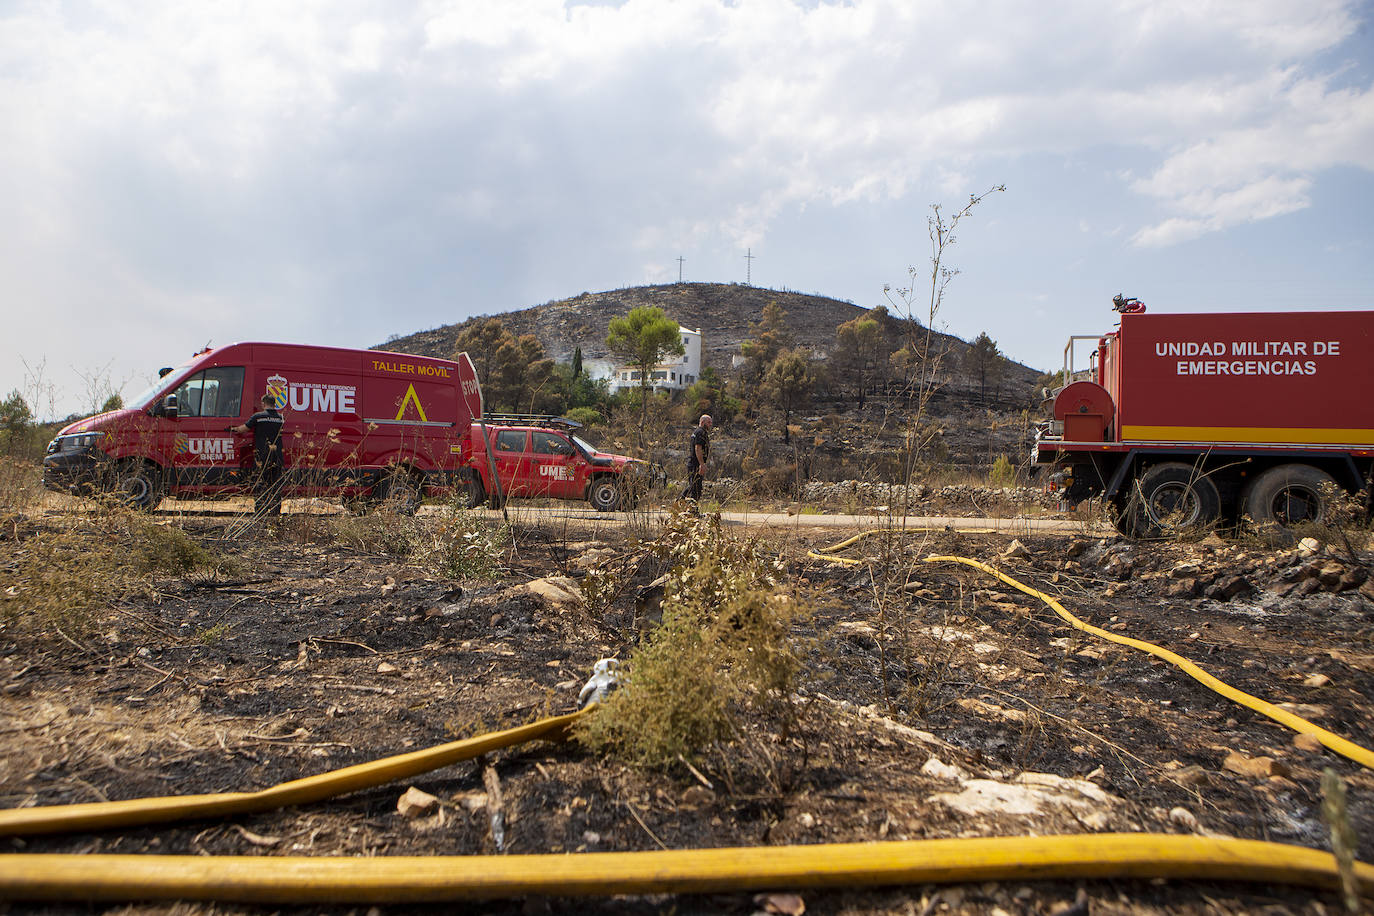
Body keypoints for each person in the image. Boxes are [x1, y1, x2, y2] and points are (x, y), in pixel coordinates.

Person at [230, 394, 285, 519]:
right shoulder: (281, 418)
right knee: (275, 484)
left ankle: (260, 510)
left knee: (261, 482)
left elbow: (243, 429)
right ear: (274, 403)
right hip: (277, 456)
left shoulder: (258, 417)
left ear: (263, 403)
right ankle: (276, 511)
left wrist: (233, 429)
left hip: (263, 456)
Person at [681, 414, 712, 503]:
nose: (710, 424)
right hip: (695, 464)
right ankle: (686, 507)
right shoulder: (700, 432)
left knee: (694, 486)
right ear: (702, 422)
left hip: (694, 463)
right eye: (709, 422)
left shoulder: (698, 432)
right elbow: (697, 448)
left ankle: (682, 505)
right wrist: (701, 464)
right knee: (695, 489)